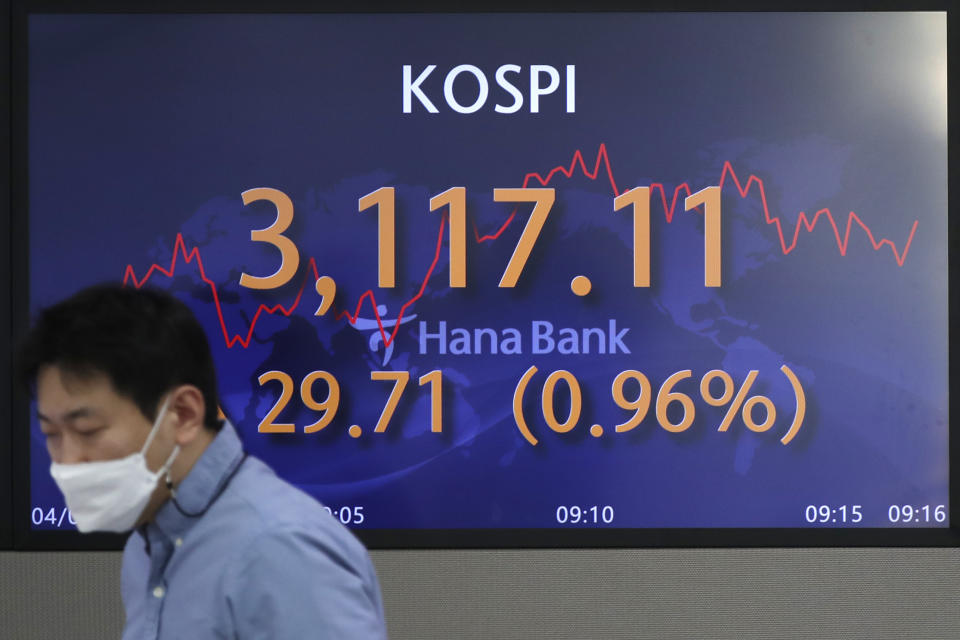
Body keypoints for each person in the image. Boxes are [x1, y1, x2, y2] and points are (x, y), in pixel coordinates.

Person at [17, 283, 388, 639]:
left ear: (183, 413)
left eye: (88, 430)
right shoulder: (147, 543)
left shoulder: (279, 550)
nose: (66, 461)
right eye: (51, 434)